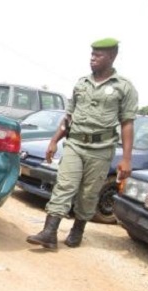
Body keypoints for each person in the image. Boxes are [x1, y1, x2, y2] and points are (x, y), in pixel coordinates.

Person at [26, 38, 138, 250]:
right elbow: (68, 117)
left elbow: (127, 123)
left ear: (112, 56)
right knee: (64, 185)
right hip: (75, 144)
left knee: (88, 193)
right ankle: (49, 233)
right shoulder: (81, 83)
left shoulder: (124, 87)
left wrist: (126, 159)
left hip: (101, 150)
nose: (93, 59)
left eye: (99, 55)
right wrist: (53, 141)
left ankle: (78, 229)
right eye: (92, 54)